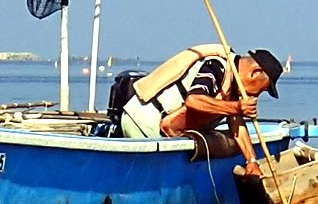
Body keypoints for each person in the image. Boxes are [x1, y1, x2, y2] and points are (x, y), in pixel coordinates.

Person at [119, 45, 283, 176]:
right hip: (143, 122)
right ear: (255, 73)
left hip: (160, 128)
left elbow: (236, 124)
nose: (256, 95)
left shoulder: (232, 87)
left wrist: (251, 161)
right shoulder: (217, 67)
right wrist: (236, 107)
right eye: (261, 90)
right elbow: (194, 100)